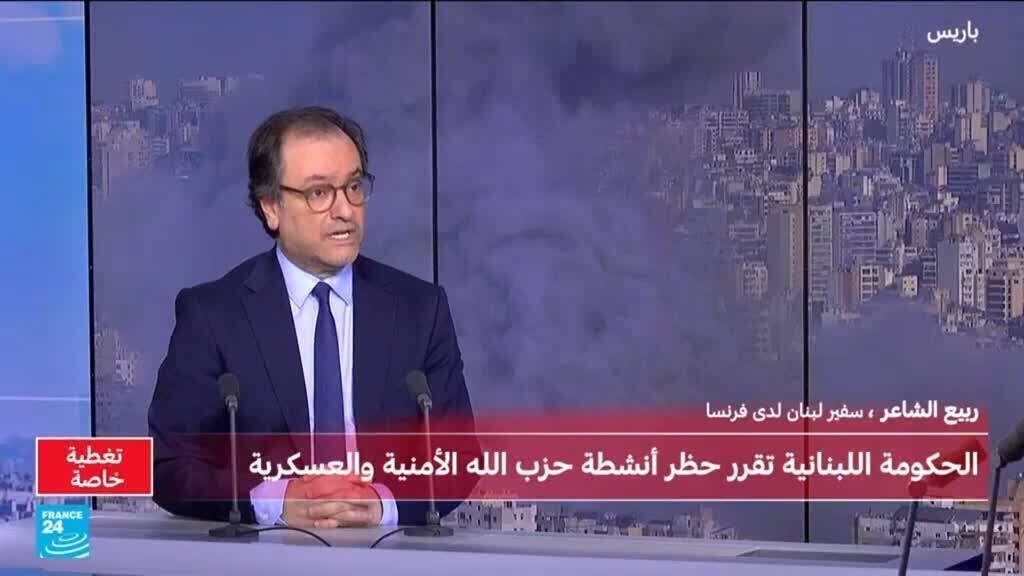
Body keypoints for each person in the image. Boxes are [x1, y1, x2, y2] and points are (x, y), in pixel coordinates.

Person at [148, 106, 476, 529]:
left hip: (387, 554)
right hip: (264, 555)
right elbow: (169, 464)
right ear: (271, 207)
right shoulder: (213, 316)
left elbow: (458, 459)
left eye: (353, 186)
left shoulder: (419, 310)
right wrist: (274, 500)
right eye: (319, 193)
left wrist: (382, 504)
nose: (345, 210)